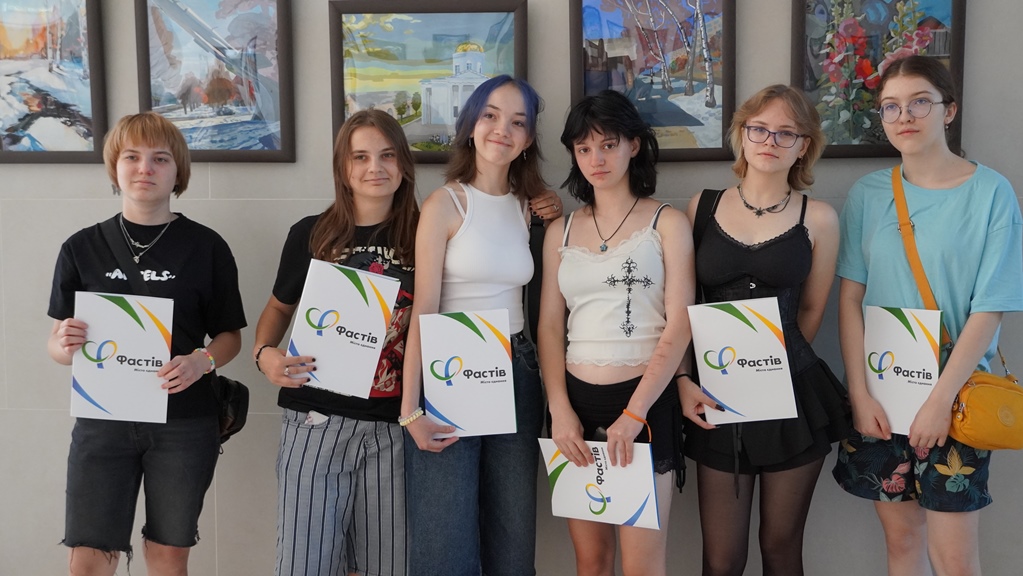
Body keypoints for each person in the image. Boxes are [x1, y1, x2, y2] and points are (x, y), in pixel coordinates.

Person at [832, 55, 1023, 575]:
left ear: (949, 110)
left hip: (956, 397)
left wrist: (939, 402)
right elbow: (850, 300)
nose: (905, 116)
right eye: (891, 106)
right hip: (882, 394)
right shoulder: (868, 194)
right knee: (901, 543)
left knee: (954, 559)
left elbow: (990, 307)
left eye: (920, 102)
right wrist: (859, 393)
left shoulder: (991, 193)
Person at [47, 112, 246, 576]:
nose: (145, 169)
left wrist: (201, 361)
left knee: (168, 557)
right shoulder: (81, 247)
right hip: (103, 421)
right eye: (132, 157)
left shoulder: (207, 247)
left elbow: (230, 338)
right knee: (88, 559)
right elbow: (57, 348)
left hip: (183, 423)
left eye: (160, 158)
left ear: (178, 171)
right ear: (114, 168)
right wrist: (63, 344)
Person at [681, 85, 850, 576]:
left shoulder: (820, 217)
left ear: (803, 145)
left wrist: (771, 370)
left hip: (793, 395)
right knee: (722, 560)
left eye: (785, 133)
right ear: (742, 134)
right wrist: (685, 378)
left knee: (781, 550)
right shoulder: (701, 206)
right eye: (759, 129)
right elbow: (684, 304)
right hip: (715, 394)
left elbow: (813, 308)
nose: (770, 141)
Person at [399, 74, 562, 576]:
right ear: (470, 125)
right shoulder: (445, 204)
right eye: (490, 115)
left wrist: (551, 208)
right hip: (450, 371)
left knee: (512, 541)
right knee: (444, 541)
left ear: (528, 139)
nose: (502, 130)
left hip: (517, 368)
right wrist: (409, 409)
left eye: (517, 122)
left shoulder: (530, 208)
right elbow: (423, 309)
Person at [252, 110, 418, 576]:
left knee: (388, 566)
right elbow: (278, 309)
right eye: (360, 157)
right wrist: (264, 355)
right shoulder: (312, 232)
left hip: (394, 428)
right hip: (314, 421)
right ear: (342, 167)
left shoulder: (427, 231)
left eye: (387, 155)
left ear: (403, 164)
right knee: (304, 565)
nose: (374, 167)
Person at [537, 90, 692, 576]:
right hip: (575, 409)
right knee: (592, 563)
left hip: (645, 403)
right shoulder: (560, 230)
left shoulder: (668, 222)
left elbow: (680, 321)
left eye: (608, 145)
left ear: (634, 145)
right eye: (584, 149)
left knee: (643, 566)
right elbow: (549, 326)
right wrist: (560, 410)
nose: (596, 159)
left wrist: (635, 412)